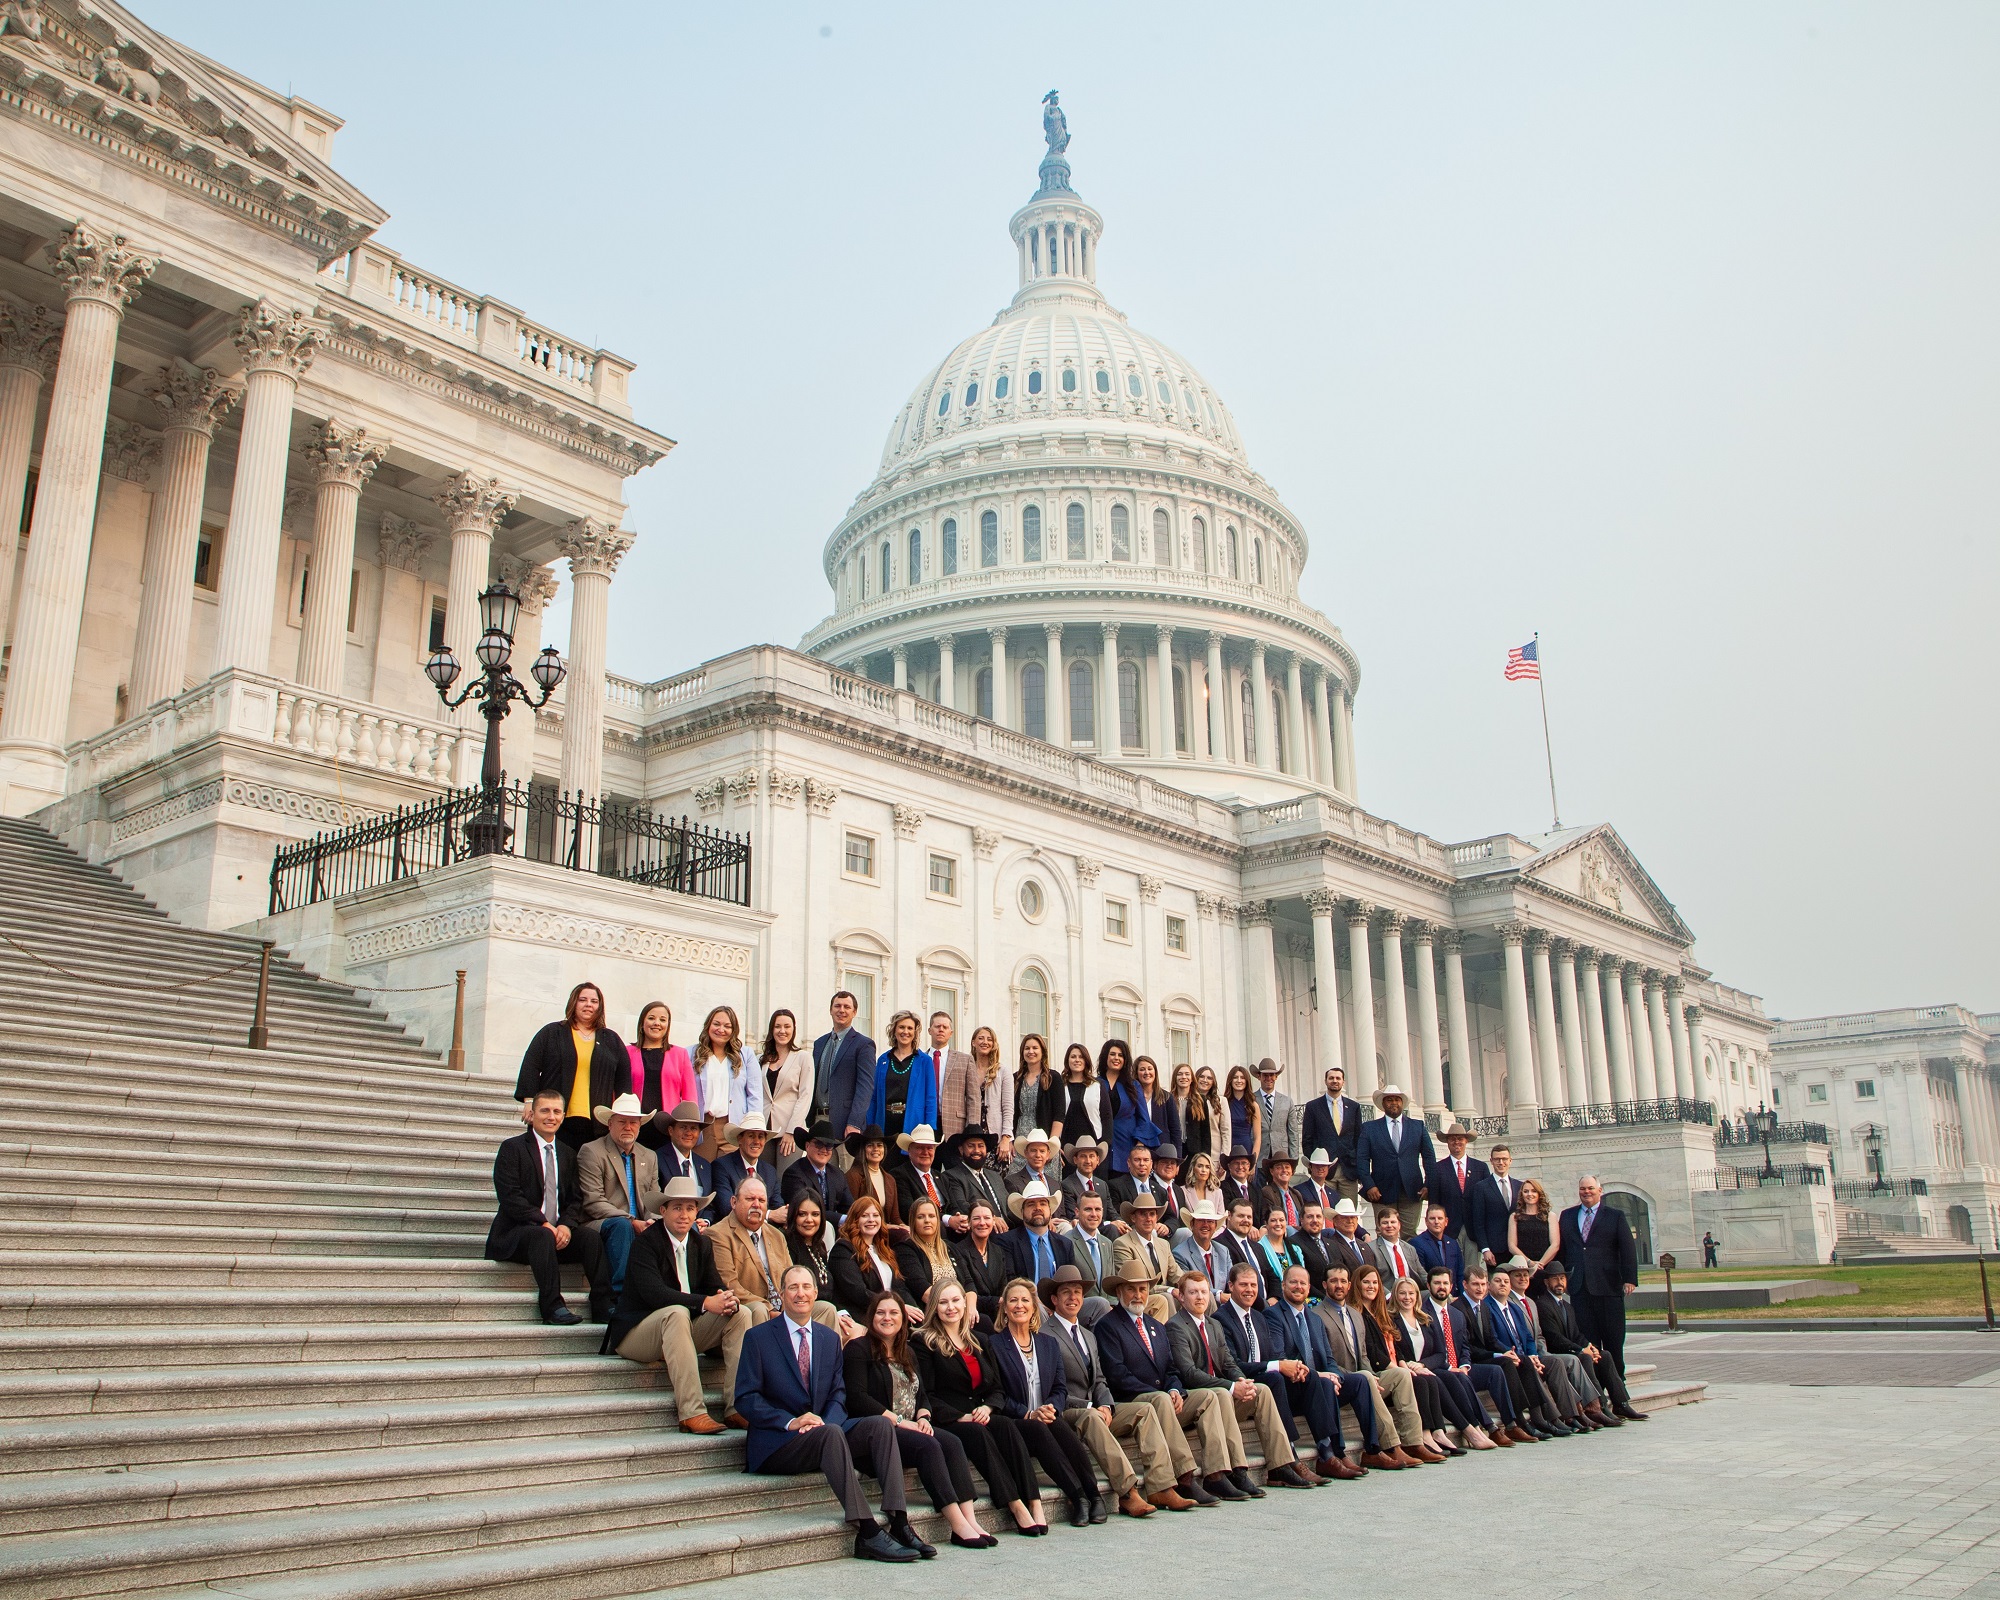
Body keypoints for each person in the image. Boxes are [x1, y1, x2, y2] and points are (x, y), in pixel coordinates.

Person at [735, 1265, 922, 1563]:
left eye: (806, 1287)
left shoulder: (828, 1338)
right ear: (781, 1294)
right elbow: (745, 1399)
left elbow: (838, 1394)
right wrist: (791, 1421)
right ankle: (868, 1531)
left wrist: (824, 1423)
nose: (800, 1293)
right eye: (793, 1287)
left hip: (822, 1431)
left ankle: (899, 1521)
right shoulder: (758, 1338)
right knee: (832, 1434)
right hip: (778, 1442)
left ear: (815, 1293)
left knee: (880, 1426)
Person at [840, 1290, 997, 1548]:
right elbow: (857, 1398)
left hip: (911, 1426)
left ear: (903, 1318)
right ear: (871, 1317)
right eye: (881, 1312)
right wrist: (900, 1421)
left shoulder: (907, 1352)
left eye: (894, 1313)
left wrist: (924, 1415)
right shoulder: (858, 1349)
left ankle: (971, 1519)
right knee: (930, 1446)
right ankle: (956, 1523)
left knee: (952, 1443)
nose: (887, 1318)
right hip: (880, 1433)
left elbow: (922, 1393)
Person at [602, 1173, 751, 1433]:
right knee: (676, 1312)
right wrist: (706, 1302)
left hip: (680, 1331)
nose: (684, 1214)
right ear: (663, 1210)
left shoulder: (700, 1243)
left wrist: (725, 1299)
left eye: (690, 1208)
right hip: (637, 1333)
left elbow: (712, 1284)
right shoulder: (646, 1242)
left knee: (742, 1314)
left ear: (697, 1213)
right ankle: (691, 1413)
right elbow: (655, 1295)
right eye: (677, 1208)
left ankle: (737, 1407)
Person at [1038, 1264, 1184, 1515]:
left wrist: (1105, 1404)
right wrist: (1091, 1406)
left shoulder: (1088, 1335)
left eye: (1077, 1292)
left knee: (1145, 1410)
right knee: (1093, 1416)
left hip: (1096, 1409)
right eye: (1066, 1293)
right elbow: (1051, 1388)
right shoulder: (1044, 1334)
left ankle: (1161, 1486)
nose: (1073, 1298)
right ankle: (1128, 1492)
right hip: (1067, 1411)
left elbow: (1101, 1380)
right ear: (1054, 1299)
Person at [916, 1277, 1050, 1534]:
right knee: (978, 1433)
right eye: (943, 1302)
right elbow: (927, 1394)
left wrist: (988, 1408)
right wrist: (961, 1417)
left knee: (1008, 1427)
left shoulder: (980, 1340)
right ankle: (1015, 1504)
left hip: (981, 1412)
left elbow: (997, 1389)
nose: (950, 1307)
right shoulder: (925, 1342)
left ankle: (1034, 1502)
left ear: (965, 1305)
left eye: (956, 1300)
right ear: (934, 1307)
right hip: (950, 1419)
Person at [1090, 1268, 1227, 1507]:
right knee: (1161, 1400)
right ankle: (1184, 1477)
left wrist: (1175, 1389)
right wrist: (1159, 1393)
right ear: (1120, 1292)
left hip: (1163, 1398)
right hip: (1130, 1399)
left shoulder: (1156, 1326)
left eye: (1142, 1289)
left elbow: (1171, 1369)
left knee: (1208, 1396)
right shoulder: (1108, 1326)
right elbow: (1116, 1374)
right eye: (1131, 1289)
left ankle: (1216, 1474)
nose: (1137, 1295)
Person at [1165, 1271, 1307, 1495]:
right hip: (1195, 1397)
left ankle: (1280, 1464)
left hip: (1219, 1395)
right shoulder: (1175, 1326)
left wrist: (1243, 1381)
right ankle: (1236, 1471)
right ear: (1181, 1297)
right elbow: (1189, 1373)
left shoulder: (1213, 1324)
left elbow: (1229, 1363)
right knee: (1221, 1394)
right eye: (1193, 1292)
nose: (1200, 1297)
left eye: (1203, 1292)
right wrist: (1231, 1387)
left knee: (1261, 1390)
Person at [485, 1089, 612, 1325]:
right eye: (544, 1110)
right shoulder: (512, 1148)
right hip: (517, 1235)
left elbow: (576, 1199)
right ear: (532, 1115)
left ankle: (604, 1306)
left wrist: (565, 1224)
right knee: (542, 1234)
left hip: (554, 1235)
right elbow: (510, 1196)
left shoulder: (567, 1153)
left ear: (563, 1116)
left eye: (556, 1111)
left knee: (591, 1239)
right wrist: (544, 1223)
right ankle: (553, 1307)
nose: (550, 1116)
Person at [990, 1277, 1106, 1526]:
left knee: (1059, 1426)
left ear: (1034, 1307)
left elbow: (1059, 1387)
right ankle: (1078, 1497)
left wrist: (1051, 1407)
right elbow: (997, 1394)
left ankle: (1094, 1495)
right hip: (1017, 1421)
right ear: (1005, 1308)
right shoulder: (994, 1345)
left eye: (1024, 1300)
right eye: (1013, 1300)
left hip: (1046, 1415)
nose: (1019, 1305)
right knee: (1038, 1427)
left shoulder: (1048, 1343)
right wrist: (1029, 1414)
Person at [1211, 1262, 1332, 1485]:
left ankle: (1327, 1449)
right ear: (1231, 1286)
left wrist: (1292, 1367)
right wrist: (1278, 1366)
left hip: (1267, 1378)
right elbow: (1234, 1365)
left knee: (1311, 1377)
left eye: (1253, 1285)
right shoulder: (1221, 1319)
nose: (1249, 1290)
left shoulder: (1259, 1316)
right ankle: (1290, 1455)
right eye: (1243, 1285)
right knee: (1275, 1377)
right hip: (1241, 1382)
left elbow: (1271, 1355)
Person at [706, 1176, 847, 1365]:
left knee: (826, 1310)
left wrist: (788, 1306)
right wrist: (771, 1309)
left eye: (762, 1200)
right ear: (733, 1202)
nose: (756, 1205)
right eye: (750, 1199)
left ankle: (824, 1381)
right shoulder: (718, 1234)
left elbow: (791, 1278)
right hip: (749, 1313)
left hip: (782, 1310)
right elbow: (729, 1285)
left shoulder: (776, 1235)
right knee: (758, 1310)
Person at [1264, 1263, 1368, 1479]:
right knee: (1324, 1382)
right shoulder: (1273, 1315)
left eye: (1303, 1283)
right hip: (1294, 1386)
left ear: (1309, 1287)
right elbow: (1280, 1356)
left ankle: (1372, 1450)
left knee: (1360, 1381)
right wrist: (1321, 1375)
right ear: (1283, 1285)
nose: (1298, 1287)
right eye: (1293, 1282)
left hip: (1318, 1384)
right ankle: (1328, 1452)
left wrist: (1335, 1375)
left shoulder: (1315, 1319)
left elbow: (1329, 1359)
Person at [1313, 1264, 1420, 1468]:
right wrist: (1367, 1377)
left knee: (1400, 1374)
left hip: (1364, 1376)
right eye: (1334, 1281)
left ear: (1349, 1285)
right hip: (1340, 1380)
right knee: (1365, 1377)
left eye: (1343, 1281)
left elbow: (1362, 1355)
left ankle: (1413, 1442)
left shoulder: (1355, 1314)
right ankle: (1391, 1446)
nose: (1339, 1285)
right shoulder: (1317, 1314)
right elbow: (1324, 1359)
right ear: (1325, 1284)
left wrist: (1373, 1376)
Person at [1351, 1263, 1449, 1462]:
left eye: (1374, 1282)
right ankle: (1395, 1445)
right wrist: (1397, 1367)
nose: (1371, 1286)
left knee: (1415, 1376)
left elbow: (1397, 1349)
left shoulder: (1379, 1313)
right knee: (1406, 1376)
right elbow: (1372, 1351)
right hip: (1370, 1372)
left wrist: (1403, 1364)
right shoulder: (1356, 1313)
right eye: (1366, 1282)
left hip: (1388, 1369)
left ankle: (1414, 1442)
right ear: (1357, 1285)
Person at [513, 981, 626, 1149]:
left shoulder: (611, 1039)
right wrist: (529, 1101)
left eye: (594, 1001)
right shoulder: (552, 1032)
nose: (588, 1004)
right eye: (583, 1000)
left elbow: (624, 1079)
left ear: (600, 1006)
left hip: (595, 1125)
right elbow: (531, 1064)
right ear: (574, 1002)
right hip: (557, 1120)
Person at [1533, 1262, 1646, 1422]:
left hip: (1572, 1349)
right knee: (1585, 1358)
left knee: (1604, 1355)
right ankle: (1600, 1406)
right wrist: (1580, 1350)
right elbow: (1554, 1337)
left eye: (1562, 1278)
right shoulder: (1543, 1305)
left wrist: (1589, 1346)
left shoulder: (1567, 1306)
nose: (1559, 1282)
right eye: (1555, 1279)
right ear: (1546, 1282)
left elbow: (1576, 1334)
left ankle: (1621, 1403)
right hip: (1557, 1353)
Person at [577, 1092, 663, 1299]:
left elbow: (655, 1198)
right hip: (601, 1222)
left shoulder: (649, 1155)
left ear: (640, 1126)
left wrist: (655, 1220)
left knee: (677, 1224)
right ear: (610, 1124)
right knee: (622, 1225)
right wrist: (632, 1220)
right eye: (622, 1121)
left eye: (633, 1122)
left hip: (639, 1222)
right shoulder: (591, 1151)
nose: (628, 1127)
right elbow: (593, 1201)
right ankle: (620, 1295)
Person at [1461, 1262, 1561, 1439]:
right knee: (1506, 1364)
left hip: (1487, 1355)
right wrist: (1499, 1355)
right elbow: (1467, 1347)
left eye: (1482, 1284)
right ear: (1465, 1285)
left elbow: (1491, 1339)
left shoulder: (1482, 1306)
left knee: (1523, 1361)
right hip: (1472, 1360)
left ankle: (1537, 1417)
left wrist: (1510, 1353)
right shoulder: (1459, 1308)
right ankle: (1518, 1421)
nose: (1480, 1288)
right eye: (1476, 1284)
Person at [1391, 1274, 1489, 1452]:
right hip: (1407, 1371)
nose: (1407, 1298)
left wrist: (1422, 1365)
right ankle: (1440, 1432)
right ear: (1396, 1296)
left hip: (1424, 1367)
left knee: (1451, 1377)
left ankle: (1472, 1427)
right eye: (1402, 1293)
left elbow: (1439, 1353)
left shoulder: (1425, 1319)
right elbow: (1394, 1350)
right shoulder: (1391, 1320)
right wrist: (1410, 1364)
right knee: (1435, 1380)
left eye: (1411, 1293)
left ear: (1417, 1295)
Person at [1423, 1266, 1517, 1444]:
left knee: (1495, 1371)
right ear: (1429, 1285)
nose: (1441, 1287)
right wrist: (1451, 1367)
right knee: (1462, 1379)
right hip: (1440, 1369)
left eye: (1445, 1283)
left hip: (1461, 1367)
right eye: (1437, 1283)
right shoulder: (1422, 1313)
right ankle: (1490, 1427)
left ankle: (1511, 1424)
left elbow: (1465, 1346)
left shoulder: (1457, 1315)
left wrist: (1465, 1365)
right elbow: (1427, 1351)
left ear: (1451, 1286)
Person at [1558, 1174, 1639, 1375]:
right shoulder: (1567, 1216)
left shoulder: (1615, 1216)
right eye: (1583, 1189)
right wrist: (1563, 1278)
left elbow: (1627, 1248)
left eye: (1591, 1189)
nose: (1587, 1192)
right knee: (1588, 1339)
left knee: (1613, 1339)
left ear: (1599, 1191)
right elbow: (1563, 1250)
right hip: (1580, 1287)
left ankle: (1617, 1382)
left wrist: (1630, 1278)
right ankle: (1596, 1383)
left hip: (1608, 1286)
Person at [1356, 1082, 1434, 1238]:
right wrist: (1369, 1185)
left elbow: (1429, 1157)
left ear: (1402, 1103)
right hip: (1381, 1191)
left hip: (1412, 1190)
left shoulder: (1417, 1126)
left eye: (1397, 1099)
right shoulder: (1369, 1128)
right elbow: (1362, 1159)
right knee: (1384, 1233)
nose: (1393, 1103)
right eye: (1389, 1100)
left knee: (1409, 1234)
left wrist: (1428, 1184)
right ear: (1383, 1104)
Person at [624, 1000, 698, 1153]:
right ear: (642, 1023)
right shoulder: (627, 1052)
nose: (657, 1023)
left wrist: (690, 1126)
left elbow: (690, 1097)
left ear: (668, 1026)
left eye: (662, 1020)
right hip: (635, 1125)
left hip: (668, 1128)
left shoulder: (680, 1054)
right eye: (651, 1018)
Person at [830, 1195, 916, 1322]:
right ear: (855, 1219)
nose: (871, 1220)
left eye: (876, 1215)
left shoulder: (883, 1250)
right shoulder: (843, 1249)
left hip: (891, 1313)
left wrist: (914, 1309)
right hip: (865, 1315)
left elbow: (900, 1288)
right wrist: (895, 1307)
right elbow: (857, 1292)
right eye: (865, 1216)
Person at [691, 1005, 762, 1152]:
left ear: (734, 1030)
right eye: (716, 1024)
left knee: (734, 1174)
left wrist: (753, 1129)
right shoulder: (691, 1053)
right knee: (702, 1173)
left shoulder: (746, 1055)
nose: (721, 1029)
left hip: (734, 1128)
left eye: (727, 1026)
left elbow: (755, 1095)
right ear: (708, 1025)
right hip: (703, 1127)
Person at [813, 991, 876, 1144]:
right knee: (821, 1168)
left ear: (854, 1012)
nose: (841, 1010)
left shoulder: (863, 1044)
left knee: (846, 1168)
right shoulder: (819, 1043)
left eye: (847, 1007)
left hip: (846, 1124)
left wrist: (854, 1122)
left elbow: (865, 1088)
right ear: (830, 1010)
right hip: (819, 1120)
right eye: (837, 1006)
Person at [869, 1009, 938, 1147]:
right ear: (894, 1030)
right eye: (901, 1027)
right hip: (885, 1124)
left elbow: (930, 1098)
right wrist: (870, 1128)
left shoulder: (924, 1061)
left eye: (910, 1028)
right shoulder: (883, 1059)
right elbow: (874, 1097)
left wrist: (929, 1129)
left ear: (915, 1033)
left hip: (912, 1125)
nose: (905, 1031)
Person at [1111, 1191, 1177, 1323]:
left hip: (1162, 1297)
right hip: (1137, 1300)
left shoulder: (1163, 1244)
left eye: (1152, 1214)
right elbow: (1132, 1282)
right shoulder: (1123, 1244)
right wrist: (1170, 1290)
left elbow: (1176, 1274)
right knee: (1165, 1299)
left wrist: (1193, 1288)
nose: (1148, 1219)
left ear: (1157, 1218)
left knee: (1201, 1296)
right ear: (1133, 1218)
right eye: (1143, 1214)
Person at [1108, 1053, 1178, 1177]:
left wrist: (1176, 1158)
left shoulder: (1167, 1097)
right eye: (1142, 1069)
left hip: (1160, 1150)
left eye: (1150, 1069)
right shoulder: (1129, 1095)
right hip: (1137, 1150)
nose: (1146, 1072)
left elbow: (1175, 1129)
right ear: (1136, 1073)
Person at [1298, 1065, 1362, 1199]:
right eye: (1331, 1078)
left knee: (1348, 1212)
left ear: (1343, 1082)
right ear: (1325, 1081)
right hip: (1324, 1172)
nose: (1335, 1081)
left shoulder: (1353, 1107)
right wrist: (1314, 1165)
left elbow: (1358, 1139)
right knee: (1325, 1211)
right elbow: (1307, 1139)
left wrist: (1357, 1164)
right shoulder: (1313, 1106)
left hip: (1348, 1171)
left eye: (1338, 1078)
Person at [759, 1009, 812, 1164]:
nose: (782, 1031)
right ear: (771, 1030)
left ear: (793, 1029)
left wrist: (792, 1131)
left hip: (790, 1130)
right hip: (764, 1129)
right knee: (765, 1179)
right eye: (777, 1027)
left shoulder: (803, 1057)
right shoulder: (760, 1060)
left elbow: (805, 1095)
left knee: (785, 1179)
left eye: (787, 1026)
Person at [712, 1111, 783, 1225]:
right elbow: (726, 1208)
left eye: (760, 1137)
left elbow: (778, 1205)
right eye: (751, 1136)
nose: (756, 1141)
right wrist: (769, 1215)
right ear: (740, 1139)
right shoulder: (722, 1166)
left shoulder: (770, 1171)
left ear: (765, 1141)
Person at [1427, 1121, 1489, 1250]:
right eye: (1452, 1139)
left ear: (1466, 1141)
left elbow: (1486, 1200)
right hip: (1448, 1230)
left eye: (1460, 1138)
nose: (1456, 1142)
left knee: (1473, 1269)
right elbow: (1434, 1202)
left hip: (1473, 1229)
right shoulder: (1437, 1169)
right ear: (1447, 1142)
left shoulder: (1481, 1168)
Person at [949, 1199, 1013, 1324]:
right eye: (976, 1218)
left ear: (993, 1220)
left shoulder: (998, 1251)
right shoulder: (959, 1250)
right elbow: (965, 1290)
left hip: (999, 1314)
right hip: (975, 1316)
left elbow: (1003, 1286)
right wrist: (997, 1301)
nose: (982, 1223)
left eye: (987, 1218)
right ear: (969, 1222)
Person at [1002, 1179, 1075, 1285]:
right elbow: (1010, 1282)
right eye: (1031, 1204)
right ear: (1022, 1212)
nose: (1038, 1208)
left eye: (1043, 1203)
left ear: (1050, 1211)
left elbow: (1070, 1283)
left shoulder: (1065, 1245)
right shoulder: (1007, 1242)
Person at [941, 1128, 1009, 1235]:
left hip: (1008, 1231)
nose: (976, 1150)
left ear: (986, 1149)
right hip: (981, 1233)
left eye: (981, 1146)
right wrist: (990, 1219)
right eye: (971, 1146)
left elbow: (1007, 1206)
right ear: (961, 1149)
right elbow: (961, 1206)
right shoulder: (951, 1176)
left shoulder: (995, 1176)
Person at [779, 1120, 844, 1226]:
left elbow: (849, 1206)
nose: (824, 1150)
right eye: (819, 1144)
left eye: (828, 1146)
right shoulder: (793, 1174)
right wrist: (843, 1219)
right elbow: (807, 1210)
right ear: (807, 1146)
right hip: (804, 1229)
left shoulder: (837, 1174)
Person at [1172, 1197, 1234, 1304]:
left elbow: (1232, 1282)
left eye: (1210, 1221)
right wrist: (1219, 1295)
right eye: (1201, 1220)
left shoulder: (1223, 1251)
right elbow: (1189, 1287)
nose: (1205, 1225)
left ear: (1215, 1226)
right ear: (1192, 1224)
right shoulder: (1180, 1254)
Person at [1468, 1142, 1521, 1266]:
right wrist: (1485, 1249)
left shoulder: (1520, 1186)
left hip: (1518, 1247)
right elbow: (1478, 1221)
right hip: (1494, 1249)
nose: (1501, 1162)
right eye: (1497, 1159)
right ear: (1491, 1161)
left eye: (1504, 1159)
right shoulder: (1481, 1187)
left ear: (1510, 1161)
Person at [895, 1196, 955, 1307]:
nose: (927, 1220)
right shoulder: (905, 1249)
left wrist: (967, 1306)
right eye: (921, 1217)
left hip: (957, 1307)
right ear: (913, 1221)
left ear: (937, 1220)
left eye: (931, 1216)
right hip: (932, 1310)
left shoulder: (950, 1247)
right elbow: (920, 1287)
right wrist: (951, 1306)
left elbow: (968, 1283)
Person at [1009, 1034, 1056, 1168]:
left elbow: (1059, 1115)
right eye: (1027, 1048)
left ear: (1042, 1052)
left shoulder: (1053, 1077)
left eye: (1035, 1048)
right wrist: (1010, 1140)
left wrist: (1052, 1146)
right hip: (1020, 1140)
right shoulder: (1015, 1079)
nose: (1031, 1051)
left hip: (1044, 1142)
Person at [1508, 1177, 1560, 1294]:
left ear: (1539, 1193)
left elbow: (1555, 1244)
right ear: (1521, 1194)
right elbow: (1512, 1245)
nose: (1529, 1194)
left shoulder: (1550, 1216)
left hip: (1545, 1267)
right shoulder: (1515, 1217)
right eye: (1526, 1191)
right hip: (1524, 1269)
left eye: (1533, 1191)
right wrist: (1530, 1263)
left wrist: (1540, 1264)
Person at [844, 1126, 904, 1226]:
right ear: (863, 1150)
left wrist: (904, 1228)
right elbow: (852, 1214)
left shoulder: (890, 1179)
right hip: (864, 1229)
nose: (876, 1149)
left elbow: (895, 1217)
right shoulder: (853, 1176)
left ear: (884, 1149)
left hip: (886, 1231)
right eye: (870, 1145)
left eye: (879, 1145)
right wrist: (885, 1226)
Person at [931, 1013, 978, 1141]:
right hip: (927, 1125)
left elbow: (973, 1096)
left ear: (951, 1033)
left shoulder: (965, 1060)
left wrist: (972, 1128)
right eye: (937, 1026)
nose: (941, 1029)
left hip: (956, 1126)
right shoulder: (921, 1059)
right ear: (930, 1030)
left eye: (945, 1027)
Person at [1050, 1042, 1105, 1150]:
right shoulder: (1059, 1085)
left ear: (1086, 1060)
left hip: (1092, 1143)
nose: (1077, 1060)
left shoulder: (1097, 1085)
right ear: (1067, 1060)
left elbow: (1106, 1116)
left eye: (1081, 1057)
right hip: (1065, 1143)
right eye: (1073, 1057)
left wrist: (1104, 1142)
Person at [783, 1193, 836, 1304]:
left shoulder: (820, 1246)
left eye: (815, 1214)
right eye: (802, 1214)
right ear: (793, 1216)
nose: (809, 1220)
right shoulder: (787, 1244)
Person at [893, 1124, 951, 1224]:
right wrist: (947, 1219)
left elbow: (952, 1205)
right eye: (919, 1148)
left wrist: (958, 1219)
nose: (925, 1152)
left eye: (929, 1148)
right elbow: (909, 1211)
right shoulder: (900, 1175)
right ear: (909, 1150)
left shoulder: (941, 1177)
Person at [653, 1100, 712, 1196]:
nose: (688, 1133)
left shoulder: (705, 1166)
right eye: (683, 1127)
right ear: (671, 1131)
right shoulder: (656, 1160)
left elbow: (709, 1206)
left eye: (693, 1128)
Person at [1058, 1135, 1119, 1227]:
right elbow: (1074, 1216)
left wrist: (1121, 1223)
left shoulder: (1102, 1185)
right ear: (1075, 1160)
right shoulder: (1067, 1185)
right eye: (1083, 1156)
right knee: (1112, 1228)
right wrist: (1109, 1223)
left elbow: (1112, 1213)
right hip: (1082, 1232)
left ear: (1097, 1160)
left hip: (1103, 1233)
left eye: (1091, 1156)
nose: (1088, 1161)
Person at [1412, 1202, 1466, 1294]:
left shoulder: (1453, 1243)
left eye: (1440, 1218)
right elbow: (1420, 1275)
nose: (1436, 1222)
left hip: (1454, 1297)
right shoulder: (1416, 1243)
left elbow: (1460, 1273)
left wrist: (1462, 1297)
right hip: (1431, 1295)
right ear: (1426, 1221)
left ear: (1446, 1222)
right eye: (1432, 1218)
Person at [1252, 1206, 1302, 1304]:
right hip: (1275, 1299)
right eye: (1273, 1220)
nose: (1278, 1224)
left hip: (1297, 1295)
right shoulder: (1258, 1248)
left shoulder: (1295, 1249)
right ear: (1266, 1224)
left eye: (1281, 1220)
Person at [1251, 1059, 1297, 1165]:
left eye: (1271, 1075)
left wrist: (1293, 1160)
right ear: (1259, 1077)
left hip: (1281, 1156)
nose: (1268, 1078)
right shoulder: (1251, 1099)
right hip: (1259, 1158)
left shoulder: (1287, 1101)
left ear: (1276, 1076)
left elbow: (1293, 1133)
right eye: (1265, 1075)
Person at [1368, 1205, 1425, 1288]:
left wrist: (1436, 1286)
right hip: (1388, 1295)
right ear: (1379, 1226)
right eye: (1385, 1223)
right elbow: (1372, 1279)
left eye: (1393, 1222)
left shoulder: (1410, 1248)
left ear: (1399, 1225)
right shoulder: (1371, 1248)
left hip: (1411, 1293)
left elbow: (1422, 1274)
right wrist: (1389, 1296)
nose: (1389, 1226)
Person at [1180, 1067, 1225, 1163]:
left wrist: (1224, 1154)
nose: (1205, 1080)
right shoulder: (1184, 1100)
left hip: (1214, 1152)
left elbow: (1226, 1131)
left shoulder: (1221, 1101)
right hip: (1191, 1150)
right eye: (1202, 1076)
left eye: (1209, 1078)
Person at [1004, 1126, 1060, 1200]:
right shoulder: (1012, 1182)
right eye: (1033, 1150)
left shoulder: (1055, 1185)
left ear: (1048, 1154)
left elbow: (1060, 1211)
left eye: (1042, 1151)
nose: (1037, 1155)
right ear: (1026, 1153)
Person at [1322, 1196, 1372, 1276]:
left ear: (1357, 1220)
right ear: (1335, 1221)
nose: (1350, 1221)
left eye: (1352, 1217)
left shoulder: (1365, 1246)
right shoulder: (1331, 1246)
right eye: (1344, 1217)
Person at [1220, 1066, 1261, 1160]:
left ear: (1247, 1081)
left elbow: (1257, 1138)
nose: (1239, 1080)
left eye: (1242, 1078)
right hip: (1227, 1147)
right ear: (1230, 1080)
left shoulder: (1253, 1105)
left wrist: (1253, 1161)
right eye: (1235, 1077)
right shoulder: (1223, 1103)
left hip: (1246, 1148)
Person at [1257, 1151, 1302, 1231]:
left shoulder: (1296, 1194)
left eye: (1287, 1167)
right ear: (1272, 1171)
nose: (1284, 1170)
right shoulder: (1267, 1192)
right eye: (1279, 1167)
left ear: (1292, 1171)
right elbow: (1267, 1220)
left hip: (1300, 1238)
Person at [1179, 1150, 1223, 1222]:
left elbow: (1222, 1222)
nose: (1203, 1170)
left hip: (1214, 1232)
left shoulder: (1218, 1192)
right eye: (1200, 1166)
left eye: (1207, 1167)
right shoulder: (1182, 1191)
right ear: (1193, 1168)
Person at [1219, 1147, 1259, 1216]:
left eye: (1244, 1163)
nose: (1240, 1167)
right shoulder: (1223, 1188)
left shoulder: (1256, 1190)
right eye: (1236, 1163)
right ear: (1229, 1166)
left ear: (1249, 1166)